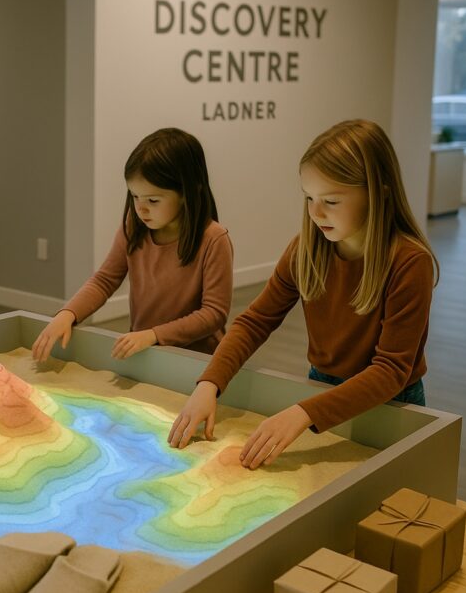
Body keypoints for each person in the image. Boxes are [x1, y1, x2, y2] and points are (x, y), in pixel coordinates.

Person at [168, 119, 438, 469]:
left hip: (392, 400)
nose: (316, 212)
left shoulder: (409, 262)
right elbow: (254, 322)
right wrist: (209, 383)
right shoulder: (305, 250)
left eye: (331, 200)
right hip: (320, 387)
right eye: (308, 198)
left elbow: (390, 371)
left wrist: (302, 414)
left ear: (378, 193)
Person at [32, 127, 233, 362]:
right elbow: (105, 280)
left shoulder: (213, 239)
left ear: (187, 192)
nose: (141, 209)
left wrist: (154, 335)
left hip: (195, 360)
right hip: (144, 351)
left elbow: (213, 314)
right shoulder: (134, 227)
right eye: (135, 197)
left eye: (153, 200)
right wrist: (68, 314)